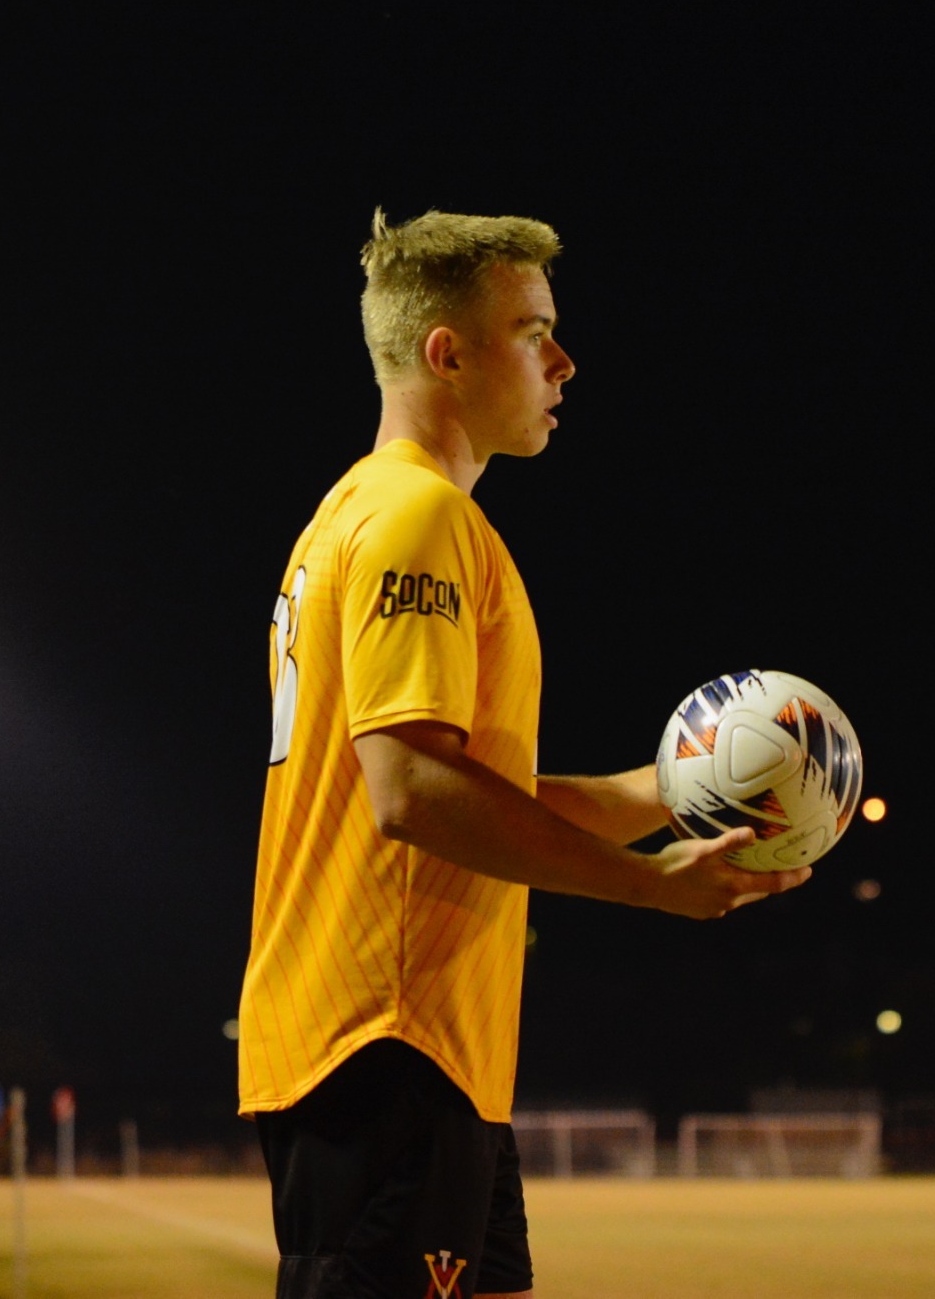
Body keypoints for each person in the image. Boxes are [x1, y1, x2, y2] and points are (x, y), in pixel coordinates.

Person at [237, 212, 814, 1299]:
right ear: (446, 355)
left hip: (432, 1052)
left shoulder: (357, 512)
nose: (564, 361)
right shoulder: (417, 519)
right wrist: (649, 885)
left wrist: (679, 786)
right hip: (386, 1041)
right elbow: (411, 791)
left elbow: (472, 793)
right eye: (532, 331)